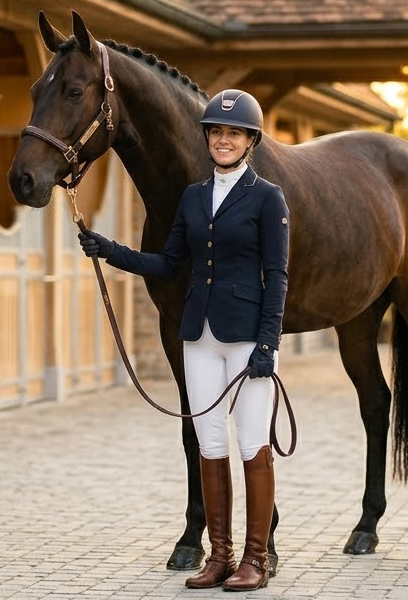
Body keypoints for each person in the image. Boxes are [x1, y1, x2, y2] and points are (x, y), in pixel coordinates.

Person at [78, 89, 289, 592]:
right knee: (210, 443)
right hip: (198, 335)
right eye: (216, 131)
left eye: (232, 133)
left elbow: (277, 274)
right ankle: (220, 556)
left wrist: (267, 343)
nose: (222, 139)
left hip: (245, 338)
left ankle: (256, 559)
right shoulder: (193, 197)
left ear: (249, 141)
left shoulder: (267, 198)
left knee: (254, 443)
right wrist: (110, 250)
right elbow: (171, 264)